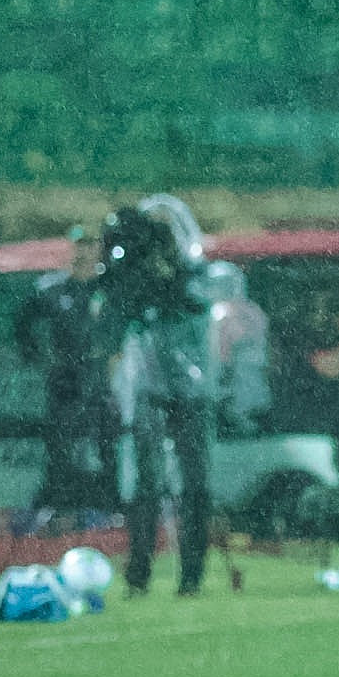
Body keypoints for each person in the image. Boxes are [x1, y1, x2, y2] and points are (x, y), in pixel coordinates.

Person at [102, 201, 214, 597]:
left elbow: (191, 301)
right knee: (147, 483)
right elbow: (117, 309)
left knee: (193, 483)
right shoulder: (135, 276)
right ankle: (139, 573)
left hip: (190, 391)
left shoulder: (194, 274)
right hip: (151, 388)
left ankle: (190, 574)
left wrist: (168, 274)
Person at [11, 224, 118, 518]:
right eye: (80, 244)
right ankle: (61, 501)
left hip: (99, 375)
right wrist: (34, 354)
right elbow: (23, 321)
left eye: (91, 245)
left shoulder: (108, 288)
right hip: (65, 376)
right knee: (60, 440)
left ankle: (108, 501)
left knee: (106, 439)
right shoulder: (54, 289)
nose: (85, 251)